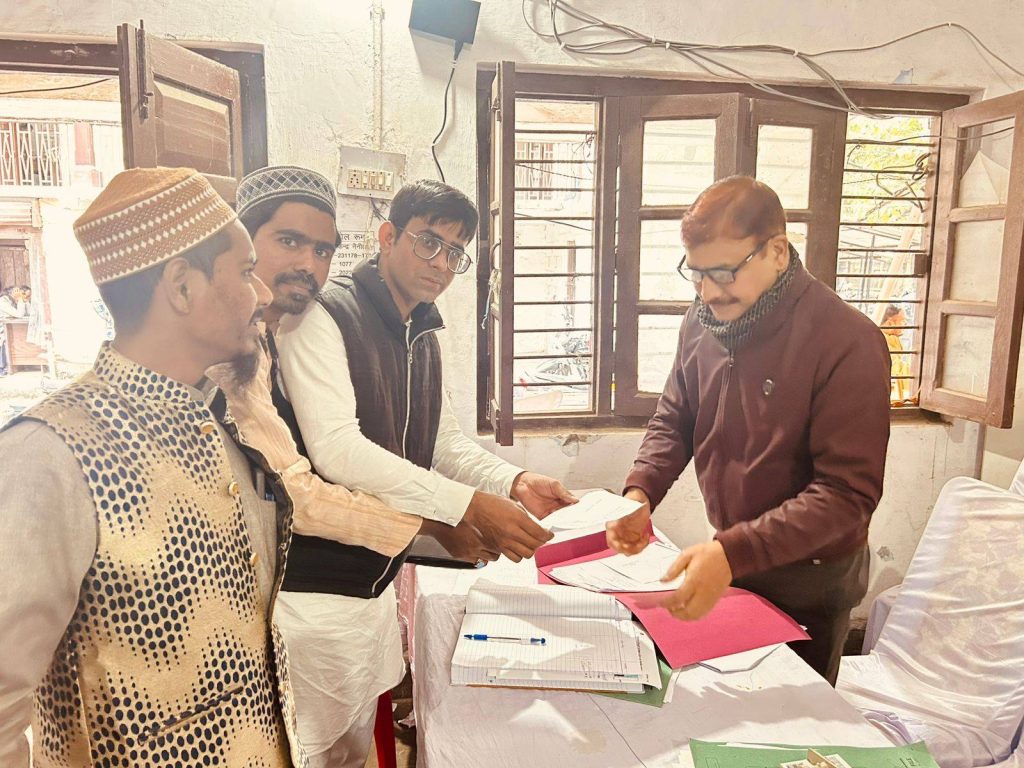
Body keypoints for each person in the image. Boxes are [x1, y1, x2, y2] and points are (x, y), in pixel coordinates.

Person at [0, 167, 305, 767]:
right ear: (182, 287)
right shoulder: (51, 453)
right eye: (246, 271)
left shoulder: (215, 420)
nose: (264, 294)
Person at [274, 179, 575, 767]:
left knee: (350, 752)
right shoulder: (325, 315)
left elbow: (442, 442)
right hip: (315, 587)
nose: (441, 263)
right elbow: (338, 451)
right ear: (387, 236)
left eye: (456, 252)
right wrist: (465, 507)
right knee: (307, 751)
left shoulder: (422, 333)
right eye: (429, 242)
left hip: (374, 580)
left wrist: (514, 483)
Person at [607, 176, 891, 686]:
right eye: (696, 275)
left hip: (810, 577)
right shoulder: (703, 320)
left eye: (723, 273)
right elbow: (676, 415)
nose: (708, 292)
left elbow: (846, 495)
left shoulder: (847, 340)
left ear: (777, 252)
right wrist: (640, 493)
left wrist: (731, 552)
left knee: (792, 715)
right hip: (734, 553)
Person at [207, 165, 423, 565]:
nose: (308, 264)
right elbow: (294, 492)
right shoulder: (228, 348)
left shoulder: (270, 332)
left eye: (323, 251)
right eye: (289, 241)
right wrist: (431, 524)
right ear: (242, 243)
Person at [880, 303, 911, 403]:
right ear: (890, 323)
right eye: (902, 321)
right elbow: (897, 371)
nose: (904, 325)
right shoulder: (883, 343)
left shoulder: (893, 342)